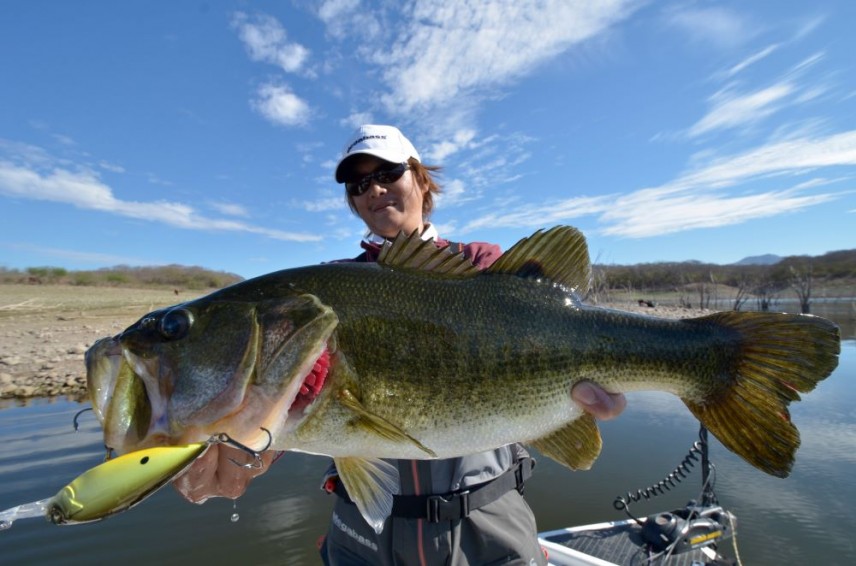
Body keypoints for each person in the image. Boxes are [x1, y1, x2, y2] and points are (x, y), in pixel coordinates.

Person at [174, 125, 627, 565]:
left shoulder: (482, 267)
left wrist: (608, 367)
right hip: (365, 540)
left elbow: (553, 327)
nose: (373, 190)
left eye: (387, 173)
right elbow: (281, 426)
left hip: (487, 530)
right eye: (358, 184)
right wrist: (241, 456)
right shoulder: (324, 294)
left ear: (421, 178)